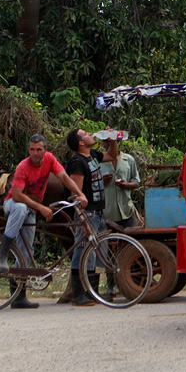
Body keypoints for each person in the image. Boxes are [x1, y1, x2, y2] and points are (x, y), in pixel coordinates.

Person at [0, 134, 87, 309]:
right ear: (28, 150)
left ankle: (18, 296)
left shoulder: (49, 160)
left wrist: (80, 193)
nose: (35, 153)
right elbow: (16, 196)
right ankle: (3, 253)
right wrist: (41, 207)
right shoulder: (23, 167)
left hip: (30, 208)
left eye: (39, 149)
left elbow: (65, 178)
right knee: (20, 208)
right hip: (13, 205)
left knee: (27, 250)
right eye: (32, 149)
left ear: (45, 150)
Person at [65, 127, 107, 306]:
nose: (90, 134)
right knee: (82, 251)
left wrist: (112, 140)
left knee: (92, 253)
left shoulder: (93, 156)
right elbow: (76, 194)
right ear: (80, 142)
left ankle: (91, 292)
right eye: (86, 134)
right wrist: (82, 218)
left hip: (98, 211)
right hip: (87, 212)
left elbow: (112, 155)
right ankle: (78, 294)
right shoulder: (77, 162)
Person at [97, 128, 140, 299]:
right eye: (106, 142)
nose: (109, 145)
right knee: (109, 251)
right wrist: (102, 182)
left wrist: (126, 185)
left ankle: (134, 283)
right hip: (107, 213)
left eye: (112, 142)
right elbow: (89, 183)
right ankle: (111, 286)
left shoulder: (128, 160)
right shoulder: (98, 161)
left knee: (132, 247)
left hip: (126, 211)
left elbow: (136, 182)